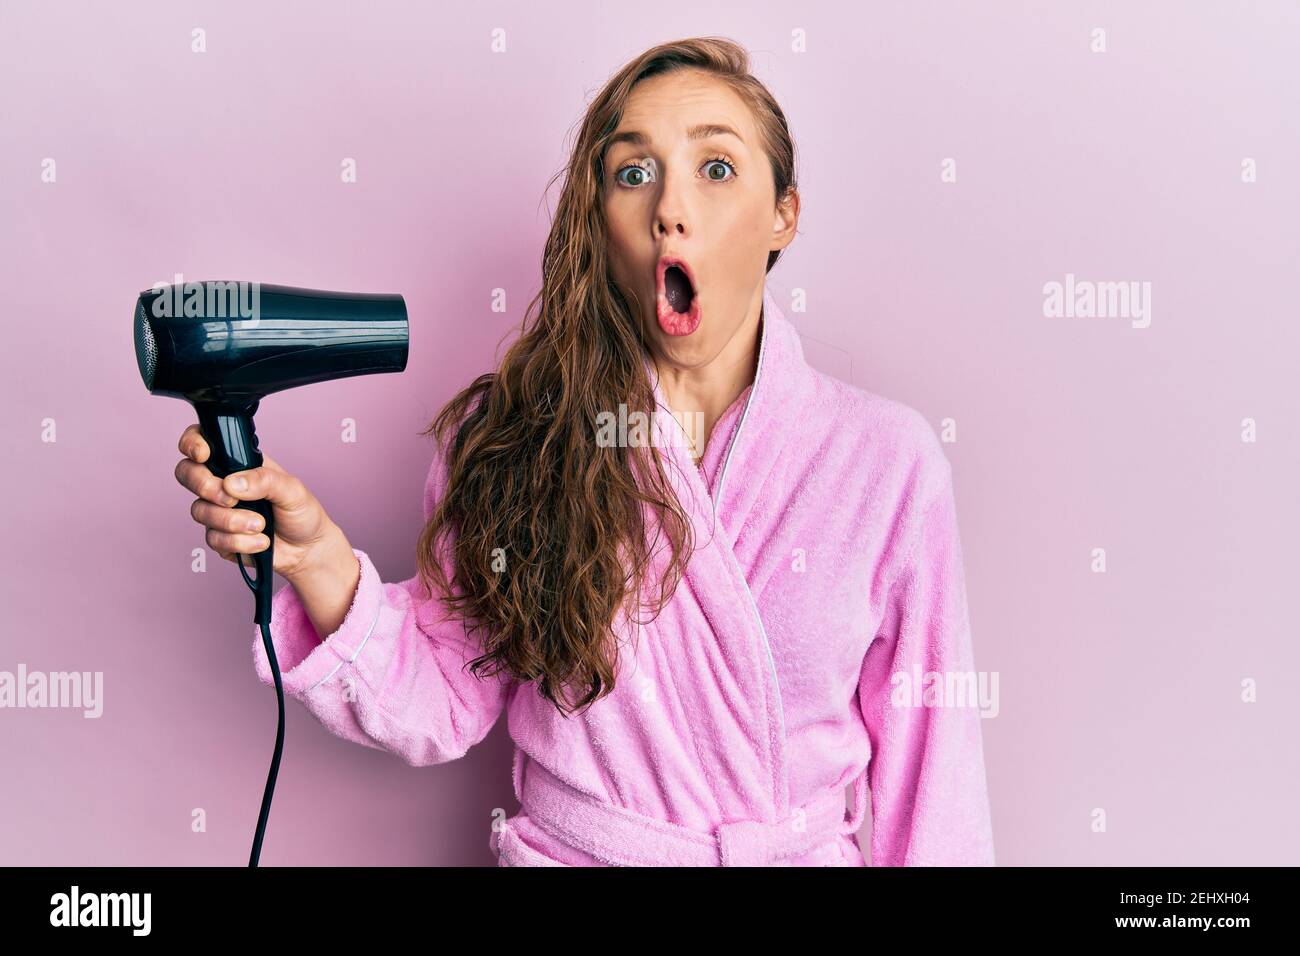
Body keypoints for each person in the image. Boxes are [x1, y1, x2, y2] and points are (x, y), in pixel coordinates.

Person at [173, 36, 995, 867]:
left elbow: (935, 779)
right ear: (601, 225)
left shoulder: (886, 463)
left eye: (716, 168)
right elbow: (440, 695)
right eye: (633, 174)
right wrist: (316, 561)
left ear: (783, 212)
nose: (670, 206)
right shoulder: (517, 438)